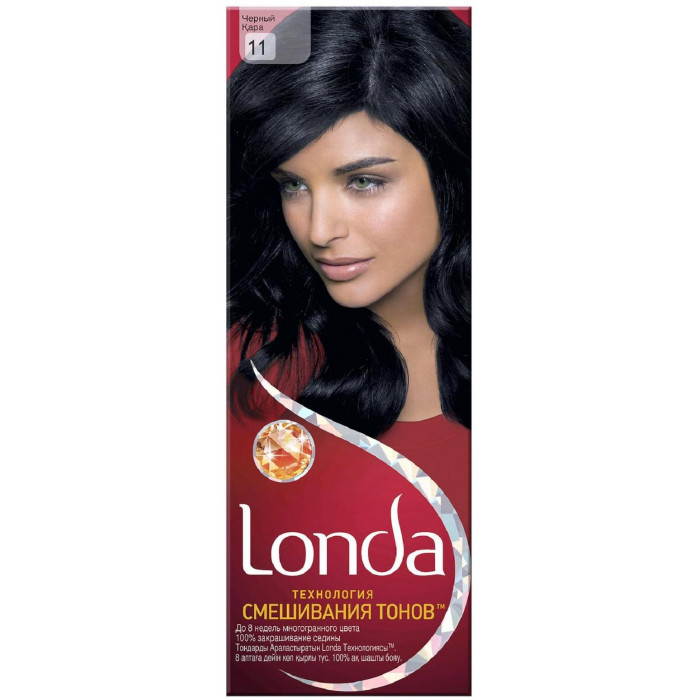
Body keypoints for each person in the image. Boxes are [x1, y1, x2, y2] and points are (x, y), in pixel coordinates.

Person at [227, 8, 470, 439]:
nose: (319, 232)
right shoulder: (246, 368)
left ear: (453, 174)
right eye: (293, 185)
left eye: (363, 182)